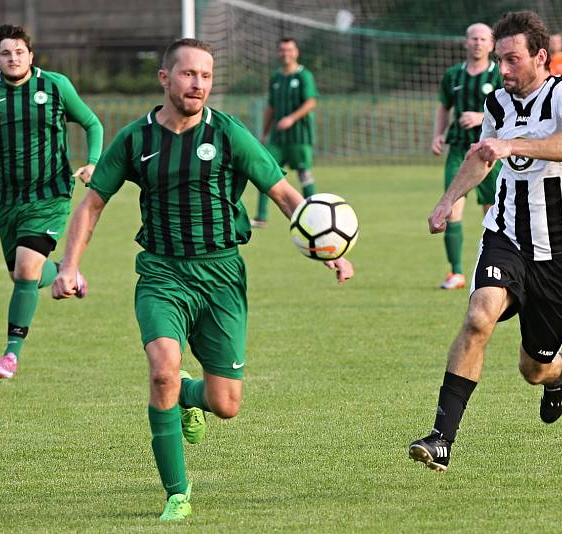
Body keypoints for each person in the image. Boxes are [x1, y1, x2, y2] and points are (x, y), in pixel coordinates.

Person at [51, 38, 353, 521]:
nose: (198, 84)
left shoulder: (229, 134)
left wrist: (327, 249)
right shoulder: (135, 140)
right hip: (162, 272)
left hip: (221, 276)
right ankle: (177, 492)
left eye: (207, 76)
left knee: (225, 403)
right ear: (165, 78)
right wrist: (69, 265)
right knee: (162, 370)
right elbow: (92, 203)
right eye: (189, 74)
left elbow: (284, 194)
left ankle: (191, 396)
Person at [409, 10, 562, 472]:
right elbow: (483, 155)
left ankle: (558, 374)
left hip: (561, 251)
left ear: (539, 56)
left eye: (512, 60)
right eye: (500, 60)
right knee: (479, 316)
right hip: (507, 235)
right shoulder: (497, 104)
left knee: (533, 368)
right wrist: (446, 200)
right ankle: (442, 439)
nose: (504, 70)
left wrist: (513, 145)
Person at [0, 24, 103, 379]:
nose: (13, 58)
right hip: (8, 200)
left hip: (50, 194)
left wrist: (93, 162)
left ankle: (10, 354)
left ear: (31, 55)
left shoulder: (54, 85)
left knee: (25, 271)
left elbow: (92, 123)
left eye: (19, 52)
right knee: (21, 274)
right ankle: (69, 272)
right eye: (6, 53)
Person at [432, 23, 503, 290]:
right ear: (465, 42)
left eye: (483, 39)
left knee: (493, 212)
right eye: (473, 38)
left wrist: (481, 117)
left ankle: (494, 267)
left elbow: (509, 108)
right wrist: (437, 135)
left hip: (489, 151)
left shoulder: (499, 74)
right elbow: (443, 106)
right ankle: (456, 272)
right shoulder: (453, 75)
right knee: (450, 209)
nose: (477, 43)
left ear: (491, 44)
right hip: (460, 150)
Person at [251, 37, 318, 227]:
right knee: (265, 171)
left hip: (299, 135)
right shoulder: (276, 77)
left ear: (296, 52)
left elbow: (311, 102)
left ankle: (313, 215)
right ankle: (261, 217)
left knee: (304, 173)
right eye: (282, 50)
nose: (285, 53)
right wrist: (264, 133)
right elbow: (270, 107)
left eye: (289, 49)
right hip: (278, 137)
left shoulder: (304, 76)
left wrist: (291, 118)